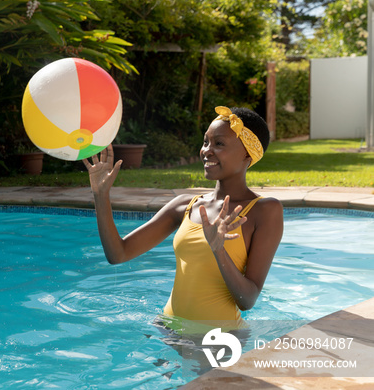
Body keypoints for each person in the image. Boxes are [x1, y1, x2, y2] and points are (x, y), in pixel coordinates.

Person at [84, 106, 283, 331]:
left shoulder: (264, 211)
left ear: (248, 153)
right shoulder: (184, 206)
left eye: (219, 144)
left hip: (216, 341)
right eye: (206, 142)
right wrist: (101, 196)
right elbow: (117, 254)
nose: (207, 151)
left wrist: (219, 250)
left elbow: (247, 300)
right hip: (167, 330)